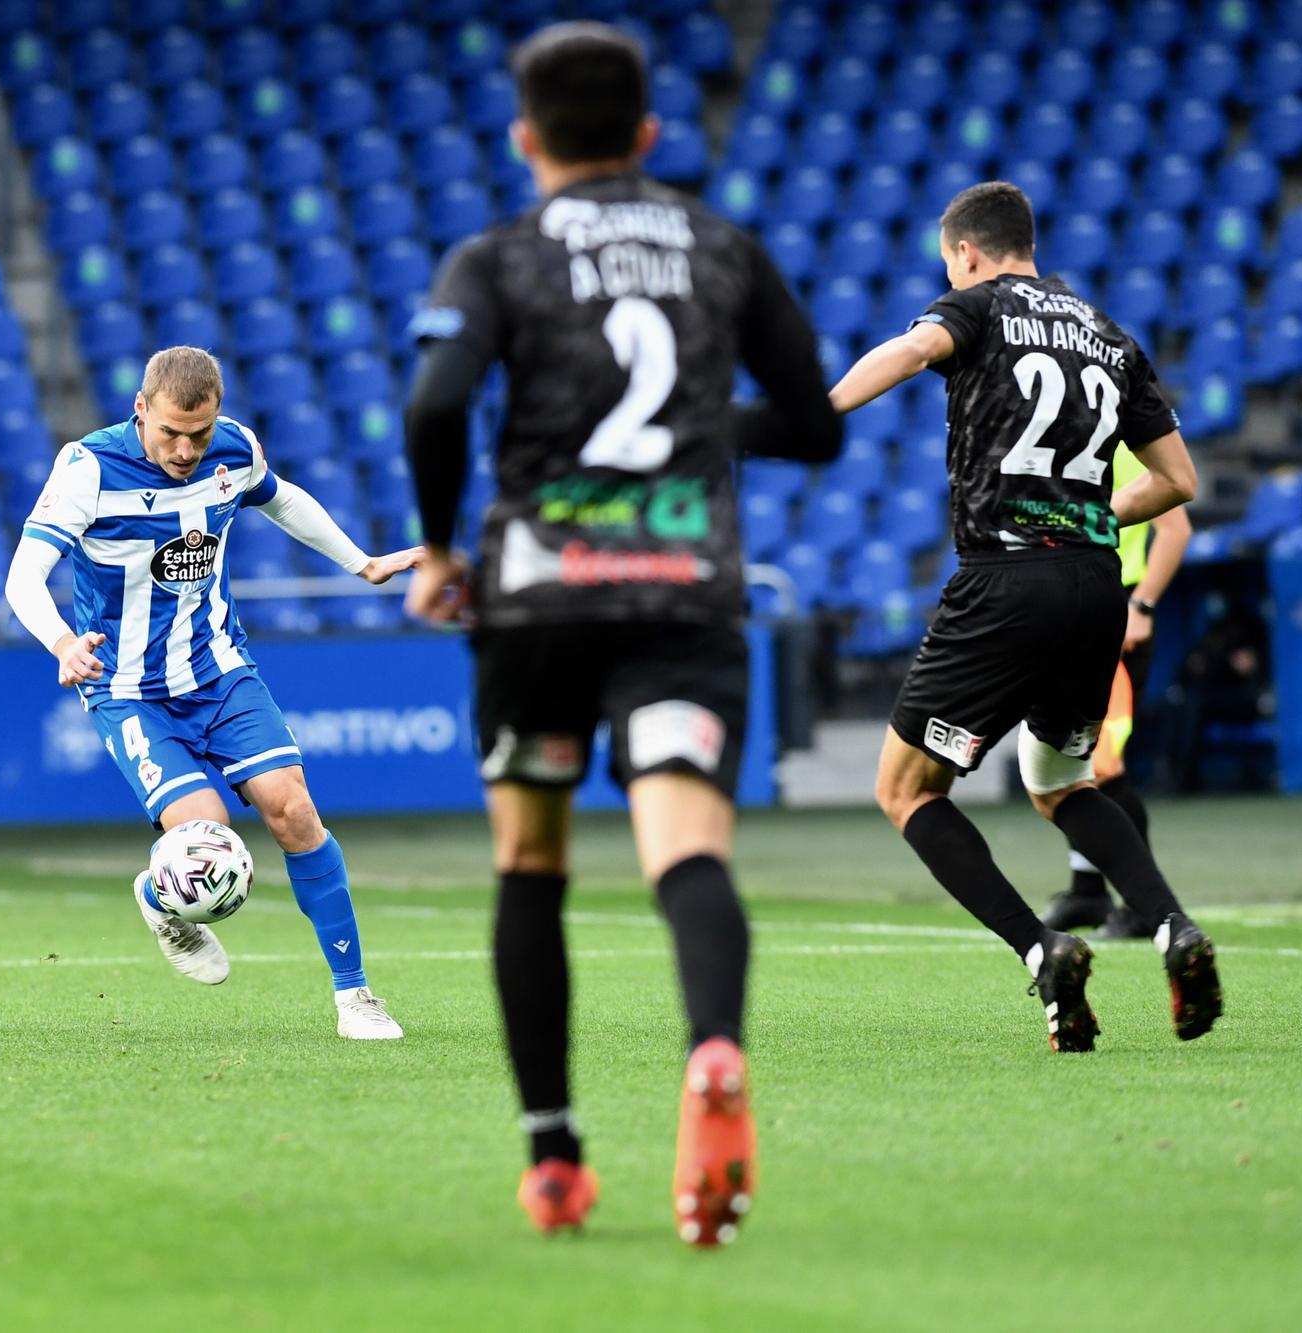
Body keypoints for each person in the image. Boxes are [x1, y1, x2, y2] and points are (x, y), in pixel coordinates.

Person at [401, 22, 841, 1245]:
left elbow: (436, 402)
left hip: (539, 599)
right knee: (684, 850)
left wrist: (438, 551)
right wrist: (709, 430)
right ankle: (710, 1050)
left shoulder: (496, 255)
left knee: (530, 865)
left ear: (523, 137)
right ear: (650, 134)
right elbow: (814, 428)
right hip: (681, 596)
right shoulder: (720, 247)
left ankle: (553, 1156)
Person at [827, 182, 1222, 1054]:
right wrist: (1084, 519)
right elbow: (1179, 482)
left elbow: (916, 347)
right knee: (1063, 783)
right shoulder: (1108, 334)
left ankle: (1041, 949)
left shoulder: (973, 308)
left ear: (966, 251)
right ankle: (1172, 928)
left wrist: (819, 413)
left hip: (1004, 581)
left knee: (905, 790)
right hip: (1093, 591)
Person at [3, 346, 420, 1040]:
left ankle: (356, 997)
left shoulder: (234, 449)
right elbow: (24, 574)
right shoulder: (89, 468)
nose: (186, 449)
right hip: (128, 688)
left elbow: (281, 498)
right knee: (208, 837)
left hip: (219, 670)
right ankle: (163, 897)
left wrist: (362, 562)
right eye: (170, 432)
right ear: (141, 409)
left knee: (292, 808)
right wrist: (60, 642)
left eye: (199, 433)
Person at [1041, 446, 1191, 938]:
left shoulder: (1127, 445)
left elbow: (1174, 530)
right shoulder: (1063, 442)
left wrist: (1142, 606)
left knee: (1103, 767)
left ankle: (1144, 906)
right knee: (1068, 761)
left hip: (1115, 615)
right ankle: (1087, 890)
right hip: (1068, 611)